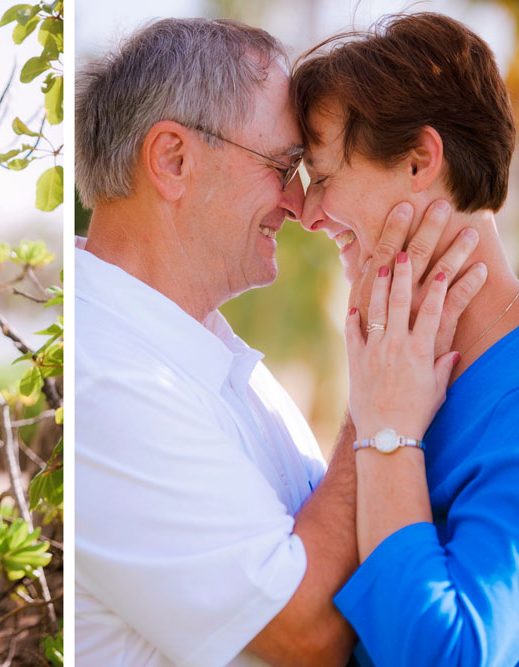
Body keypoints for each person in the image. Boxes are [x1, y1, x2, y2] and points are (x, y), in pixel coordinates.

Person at [74, 17, 484, 666]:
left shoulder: (205, 352)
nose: (300, 206)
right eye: (284, 164)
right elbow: (306, 634)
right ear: (174, 160)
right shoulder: (106, 381)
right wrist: (376, 412)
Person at [292, 12, 519, 666]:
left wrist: (387, 428)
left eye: (325, 175)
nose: (307, 214)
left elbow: (450, 655)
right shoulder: (400, 363)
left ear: (420, 160)